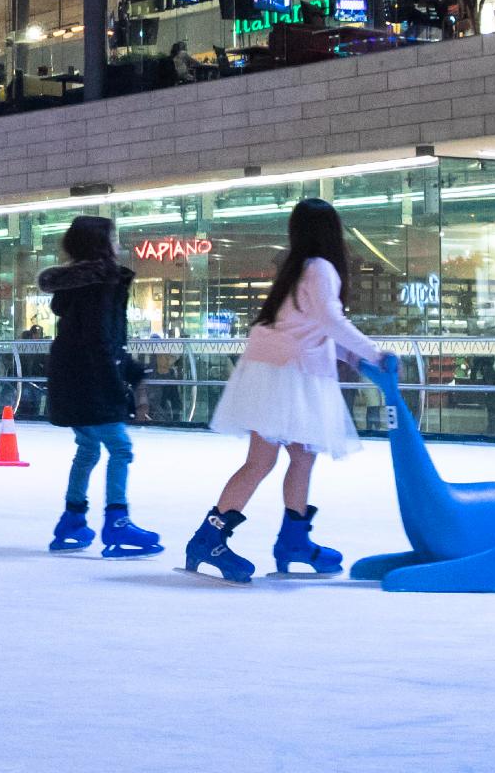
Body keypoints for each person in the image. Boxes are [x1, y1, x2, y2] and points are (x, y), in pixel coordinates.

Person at [186, 198, 382, 581]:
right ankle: (209, 538)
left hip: (281, 371)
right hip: (286, 375)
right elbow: (331, 321)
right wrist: (374, 353)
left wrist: (356, 358)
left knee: (302, 456)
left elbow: (314, 327)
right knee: (262, 461)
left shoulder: (300, 268)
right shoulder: (319, 268)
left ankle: (294, 538)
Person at [41, 215, 163, 559]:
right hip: (93, 378)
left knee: (88, 449)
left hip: (72, 377)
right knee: (120, 448)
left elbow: (93, 337)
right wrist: (118, 383)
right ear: (101, 245)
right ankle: (117, 522)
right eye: (114, 238)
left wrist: (131, 370)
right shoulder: (103, 283)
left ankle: (72, 520)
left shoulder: (75, 286)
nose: (118, 245)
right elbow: (101, 338)